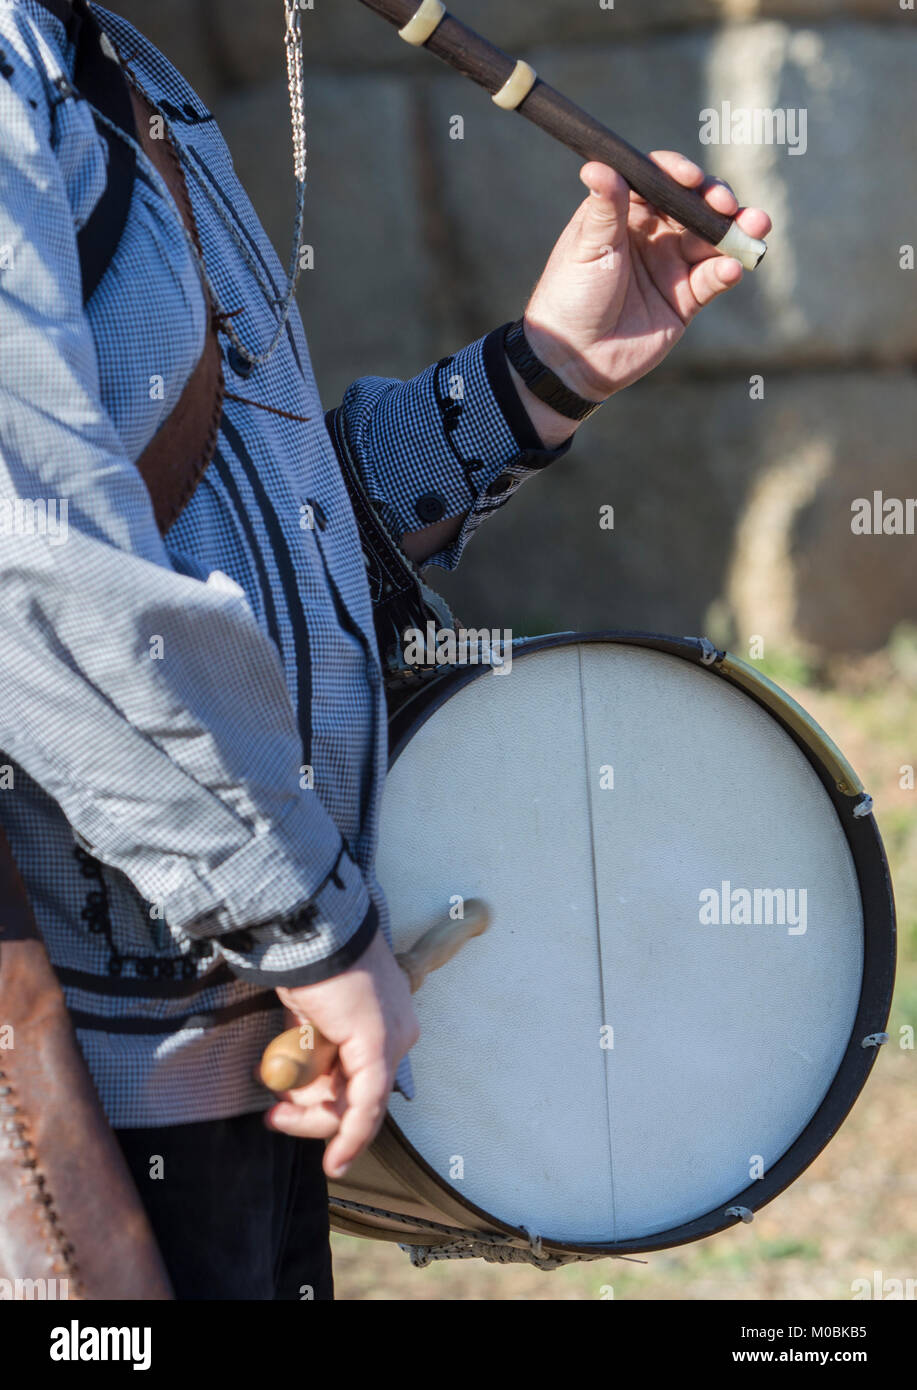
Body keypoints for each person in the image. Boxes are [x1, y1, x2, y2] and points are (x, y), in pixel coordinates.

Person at [0, 0, 771, 1299]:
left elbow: (232, 534)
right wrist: (303, 918)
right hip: (75, 1079)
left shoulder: (113, 63)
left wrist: (535, 378)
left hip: (241, 1048)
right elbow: (37, 564)